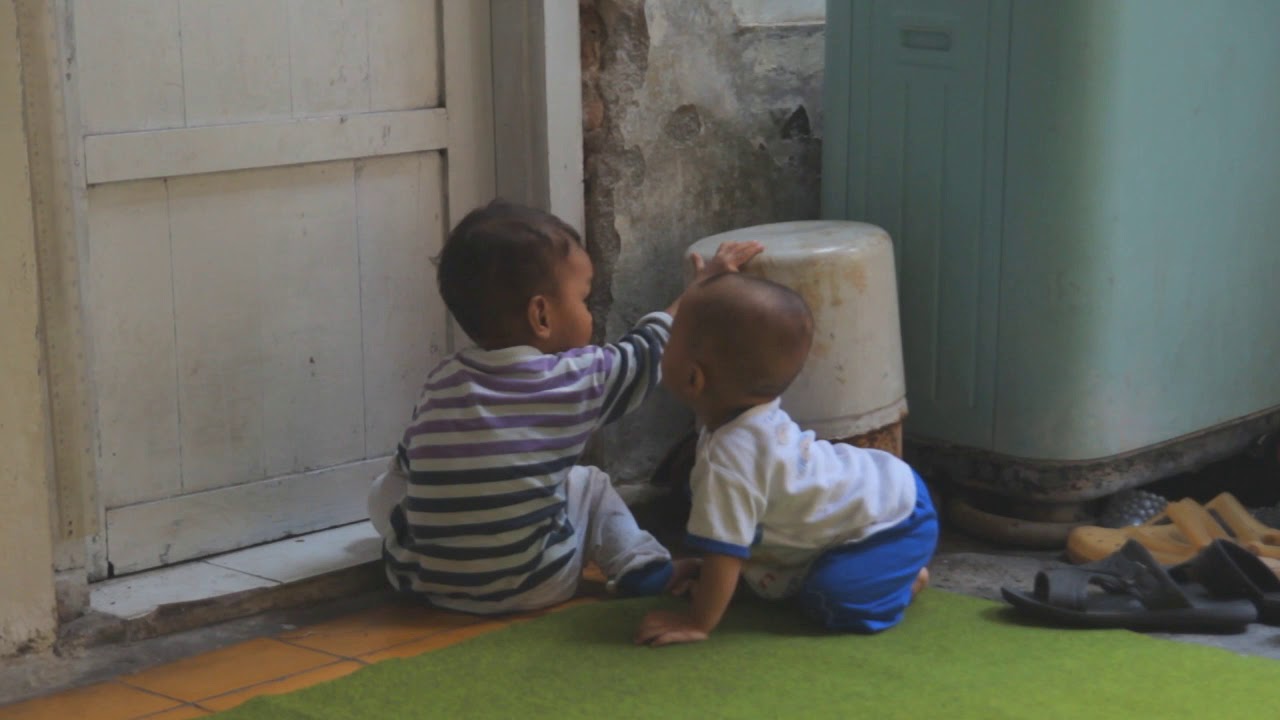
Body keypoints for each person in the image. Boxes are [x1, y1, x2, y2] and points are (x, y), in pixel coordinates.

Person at [367, 199, 761, 614]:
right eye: (584, 300)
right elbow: (646, 351)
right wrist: (697, 293)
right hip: (536, 580)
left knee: (389, 488)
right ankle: (641, 564)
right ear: (541, 315)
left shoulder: (441, 381)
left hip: (429, 586)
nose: (590, 314)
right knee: (588, 483)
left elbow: (409, 468)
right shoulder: (574, 379)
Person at [635, 273, 938, 646]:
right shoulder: (748, 417)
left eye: (672, 340)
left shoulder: (731, 460)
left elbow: (724, 552)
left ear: (694, 378)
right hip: (882, 487)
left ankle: (905, 583)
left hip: (893, 521)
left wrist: (697, 622)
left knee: (828, 600)